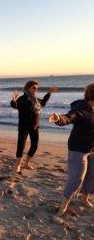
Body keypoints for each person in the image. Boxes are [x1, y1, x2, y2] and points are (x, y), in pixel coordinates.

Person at [49, 83, 94, 217]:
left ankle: (84, 198)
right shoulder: (81, 107)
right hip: (78, 149)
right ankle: (63, 207)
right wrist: (59, 119)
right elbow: (69, 117)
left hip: (91, 149)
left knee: (91, 176)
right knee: (77, 178)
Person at [11, 81, 58, 173]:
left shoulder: (36, 99)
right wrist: (13, 99)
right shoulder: (23, 99)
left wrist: (49, 93)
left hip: (34, 126)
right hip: (24, 126)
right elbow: (15, 105)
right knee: (21, 146)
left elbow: (43, 103)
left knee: (35, 145)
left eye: (37, 88)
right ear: (28, 88)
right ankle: (18, 165)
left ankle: (26, 163)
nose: (36, 89)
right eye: (34, 88)